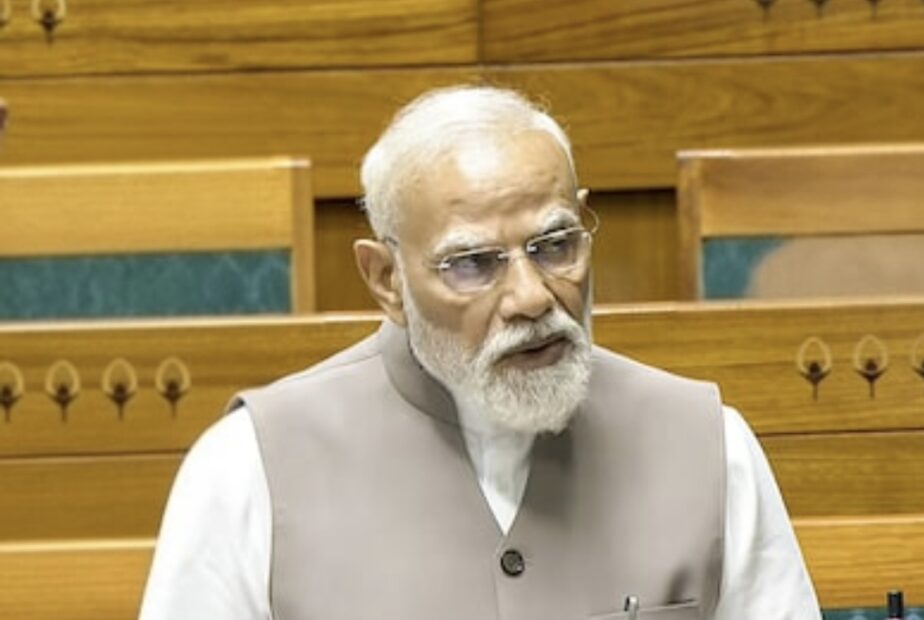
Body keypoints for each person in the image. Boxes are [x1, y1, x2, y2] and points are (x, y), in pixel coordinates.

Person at [139, 85, 820, 619]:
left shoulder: (708, 447)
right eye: (472, 263)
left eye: (555, 246)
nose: (530, 296)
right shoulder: (249, 469)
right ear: (386, 280)